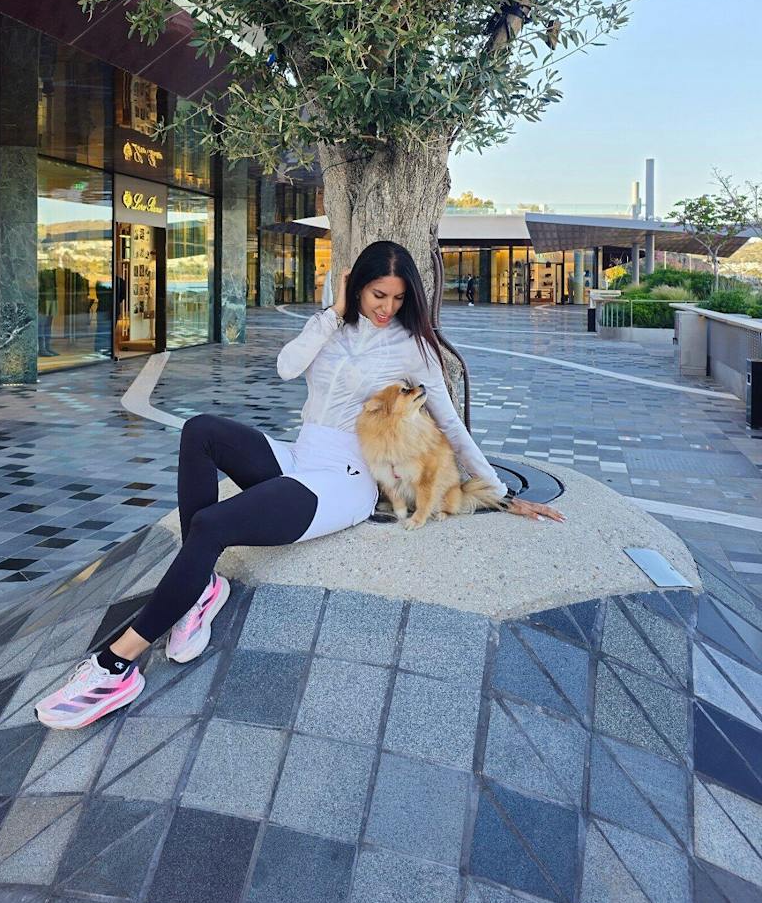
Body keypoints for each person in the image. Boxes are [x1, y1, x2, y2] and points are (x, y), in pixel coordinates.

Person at [34, 240, 565, 730]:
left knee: (211, 525)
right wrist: (333, 314)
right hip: (298, 454)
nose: (387, 307)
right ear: (357, 286)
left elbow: (450, 424)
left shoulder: (412, 349)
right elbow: (287, 368)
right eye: (378, 294)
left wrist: (500, 493)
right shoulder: (331, 325)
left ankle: (115, 665)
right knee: (200, 431)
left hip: (341, 480)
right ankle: (199, 591)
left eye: (398, 298)